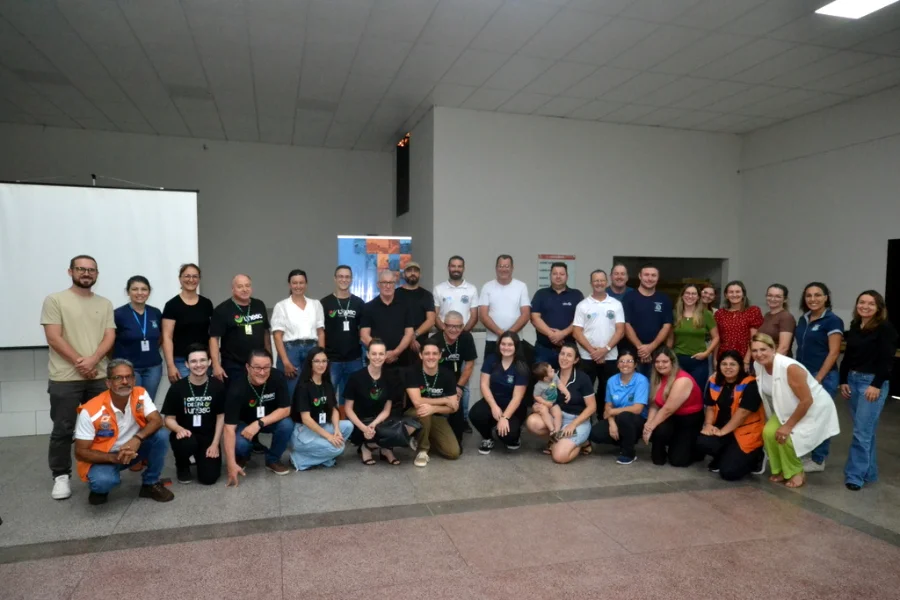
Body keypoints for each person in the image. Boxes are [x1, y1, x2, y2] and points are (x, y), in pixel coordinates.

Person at [42, 255, 116, 501]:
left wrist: (93, 360)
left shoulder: (104, 303)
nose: (86, 273)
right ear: (70, 271)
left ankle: (99, 472)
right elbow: (54, 337)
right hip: (65, 378)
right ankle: (61, 476)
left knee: (103, 427)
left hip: (99, 376)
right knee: (63, 428)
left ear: (97, 274)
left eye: (91, 270)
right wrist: (81, 362)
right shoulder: (55, 300)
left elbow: (109, 336)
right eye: (81, 269)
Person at [73, 359, 173, 505]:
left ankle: (150, 483)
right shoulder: (90, 410)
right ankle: (99, 489)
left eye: (129, 377)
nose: (125, 381)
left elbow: (157, 420)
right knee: (103, 482)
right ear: (108, 383)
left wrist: (137, 439)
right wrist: (114, 458)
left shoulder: (140, 394)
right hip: (105, 457)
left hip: (134, 450)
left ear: (134, 380)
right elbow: (80, 452)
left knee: (161, 435)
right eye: (118, 378)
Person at [752, 334, 840, 489]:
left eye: (763, 349)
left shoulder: (789, 367)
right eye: (754, 350)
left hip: (812, 407)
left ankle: (796, 472)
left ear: (773, 349)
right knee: (768, 432)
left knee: (786, 437)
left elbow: (807, 400)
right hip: (788, 407)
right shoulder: (758, 365)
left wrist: (788, 426)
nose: (759, 354)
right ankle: (780, 470)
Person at [840, 290, 897, 491]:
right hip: (853, 381)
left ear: (879, 308)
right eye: (862, 302)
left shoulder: (885, 329)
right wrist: (843, 380)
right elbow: (848, 356)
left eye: (871, 303)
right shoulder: (856, 325)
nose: (865, 306)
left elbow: (887, 360)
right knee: (866, 431)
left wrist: (876, 385)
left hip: (871, 383)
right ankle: (869, 471)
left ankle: (854, 475)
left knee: (861, 432)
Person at [222, 349, 293, 486]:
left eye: (266, 367)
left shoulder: (277, 377)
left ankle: (272, 460)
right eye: (257, 368)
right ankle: (243, 456)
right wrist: (230, 464)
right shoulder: (236, 388)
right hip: (244, 423)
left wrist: (259, 423)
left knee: (287, 424)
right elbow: (228, 428)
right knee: (240, 443)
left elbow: (286, 409)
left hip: (268, 420)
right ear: (248, 367)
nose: (262, 372)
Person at [343, 339, 418, 465]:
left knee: (413, 426)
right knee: (392, 432)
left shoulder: (390, 377)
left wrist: (374, 424)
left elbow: (386, 410)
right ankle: (378, 446)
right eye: (374, 354)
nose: (377, 357)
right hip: (361, 423)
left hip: (380, 421)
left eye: (381, 354)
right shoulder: (355, 377)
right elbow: (348, 409)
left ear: (385, 356)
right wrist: (364, 428)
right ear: (368, 355)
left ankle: (372, 446)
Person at [795, 282, 844, 472]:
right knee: (806, 416)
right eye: (809, 295)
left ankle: (818, 459)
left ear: (826, 297)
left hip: (822, 377)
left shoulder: (832, 321)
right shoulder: (803, 319)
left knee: (821, 418)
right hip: (804, 374)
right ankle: (808, 453)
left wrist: (818, 379)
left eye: (817, 295)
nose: (813, 299)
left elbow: (834, 352)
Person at [696, 350, 766, 481]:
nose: (728, 367)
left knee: (729, 473)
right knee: (703, 441)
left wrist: (722, 432)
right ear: (719, 366)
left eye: (733, 364)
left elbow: (743, 413)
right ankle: (724, 456)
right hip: (723, 429)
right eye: (724, 364)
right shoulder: (714, 380)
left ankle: (757, 457)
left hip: (745, 433)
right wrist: (709, 425)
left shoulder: (750, 384)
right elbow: (710, 407)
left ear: (740, 366)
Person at [162, 344, 225, 485]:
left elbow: (221, 416)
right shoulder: (177, 388)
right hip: (185, 435)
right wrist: (179, 429)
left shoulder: (218, 386)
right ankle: (182, 464)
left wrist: (215, 444)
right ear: (187, 364)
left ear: (209, 362)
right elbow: (168, 419)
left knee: (209, 479)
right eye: (193, 361)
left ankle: (199, 456)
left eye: (202, 360)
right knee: (186, 443)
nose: (198, 365)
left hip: (208, 436)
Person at [525, 343, 597, 464]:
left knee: (559, 456)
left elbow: (592, 407)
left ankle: (581, 443)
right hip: (557, 418)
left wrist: (573, 424)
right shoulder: (551, 375)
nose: (564, 358)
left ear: (575, 360)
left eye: (569, 355)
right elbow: (541, 397)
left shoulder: (583, 378)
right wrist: (537, 406)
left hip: (577, 421)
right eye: (562, 354)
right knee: (532, 422)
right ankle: (558, 439)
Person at [288, 347, 354, 471]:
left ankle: (322, 456)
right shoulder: (304, 386)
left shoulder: (327, 383)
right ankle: (298, 459)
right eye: (317, 361)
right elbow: (306, 419)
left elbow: (333, 409)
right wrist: (329, 437)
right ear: (310, 363)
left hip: (321, 426)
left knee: (348, 426)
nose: (321, 364)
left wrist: (336, 429)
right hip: (303, 432)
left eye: (324, 361)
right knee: (338, 448)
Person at [642, 347, 704, 467]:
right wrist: (648, 423)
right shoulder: (657, 377)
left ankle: (695, 448)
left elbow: (668, 409)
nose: (660, 365)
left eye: (665, 361)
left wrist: (650, 428)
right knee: (657, 458)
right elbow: (654, 404)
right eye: (657, 362)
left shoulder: (682, 379)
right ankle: (672, 443)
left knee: (678, 461)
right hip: (672, 417)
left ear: (673, 362)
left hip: (688, 420)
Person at [469, 332, 530, 454]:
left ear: (516, 346)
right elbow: (484, 385)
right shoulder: (491, 359)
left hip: (513, 407)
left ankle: (514, 436)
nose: (506, 347)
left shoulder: (521, 366)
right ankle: (487, 438)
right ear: (499, 345)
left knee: (508, 436)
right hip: (494, 402)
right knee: (475, 414)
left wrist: (505, 417)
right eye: (503, 344)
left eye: (510, 344)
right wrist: (493, 406)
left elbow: (517, 397)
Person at [404, 339, 461, 467]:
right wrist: (445, 400)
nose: (431, 357)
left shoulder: (447, 374)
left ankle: (423, 437)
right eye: (427, 353)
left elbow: (454, 407)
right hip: (413, 414)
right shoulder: (412, 372)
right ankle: (422, 451)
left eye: (435, 353)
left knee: (453, 452)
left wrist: (434, 409)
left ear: (440, 355)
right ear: (421, 355)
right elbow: (417, 401)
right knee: (424, 410)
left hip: (437, 415)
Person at [271, 269, 325, 399]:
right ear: (289, 284)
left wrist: (321, 355)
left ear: (306, 284)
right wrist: (285, 362)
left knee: (313, 389)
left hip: (312, 350)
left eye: (301, 282)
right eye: (294, 283)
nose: (298, 286)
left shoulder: (315, 304)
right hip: (290, 352)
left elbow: (320, 333)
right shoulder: (281, 306)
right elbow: (277, 336)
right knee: (292, 390)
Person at [588, 350, 649, 465]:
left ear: (635, 364)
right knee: (595, 433)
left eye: (629, 361)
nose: (625, 364)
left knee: (624, 417)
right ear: (617, 364)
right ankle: (625, 441)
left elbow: (638, 409)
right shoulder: (612, 381)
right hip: (617, 417)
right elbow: (608, 406)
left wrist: (613, 411)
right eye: (621, 361)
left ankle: (628, 453)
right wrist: (612, 424)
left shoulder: (641, 380)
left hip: (637, 419)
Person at [572, 269, 625, 400]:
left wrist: (605, 350)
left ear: (606, 282)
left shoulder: (616, 304)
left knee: (607, 392)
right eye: (596, 280)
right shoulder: (582, 305)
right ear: (591, 283)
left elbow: (620, 331)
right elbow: (576, 332)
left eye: (602, 280)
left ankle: (604, 413)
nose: (599, 283)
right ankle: (587, 414)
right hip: (587, 357)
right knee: (585, 391)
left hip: (610, 357)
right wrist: (593, 352)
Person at [210, 274, 271, 385]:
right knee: (235, 394)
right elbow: (214, 338)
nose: (244, 289)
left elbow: (266, 332)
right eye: (240, 286)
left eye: (247, 285)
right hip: (234, 366)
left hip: (258, 364)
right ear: (232, 289)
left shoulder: (259, 305)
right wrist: (216, 365)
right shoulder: (222, 310)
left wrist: (269, 357)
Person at [113, 276, 163, 399]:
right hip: (129, 368)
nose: (139, 293)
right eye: (135, 289)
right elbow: (110, 341)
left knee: (148, 402)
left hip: (153, 367)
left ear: (149, 292)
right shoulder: (118, 314)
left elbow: (160, 337)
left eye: (144, 289)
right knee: (133, 402)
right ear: (128, 292)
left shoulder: (155, 312)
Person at [321, 265, 365, 404]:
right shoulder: (324, 303)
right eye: (340, 276)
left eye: (347, 277)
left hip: (354, 359)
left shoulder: (359, 303)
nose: (344, 280)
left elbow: (363, 331)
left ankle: (348, 419)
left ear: (351, 279)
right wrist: (322, 355)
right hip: (332, 360)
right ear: (335, 279)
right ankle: (331, 419)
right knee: (328, 397)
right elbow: (320, 332)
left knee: (353, 399)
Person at [162, 264, 214, 381]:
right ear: (180, 278)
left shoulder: (207, 304)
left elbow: (212, 335)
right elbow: (167, 337)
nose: (191, 279)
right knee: (185, 392)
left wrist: (215, 362)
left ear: (199, 279)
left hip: (203, 360)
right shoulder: (172, 305)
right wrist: (170, 366)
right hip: (181, 361)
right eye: (187, 276)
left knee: (205, 392)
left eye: (195, 276)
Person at [429, 310, 477, 434]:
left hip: (456, 380)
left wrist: (459, 387)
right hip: (436, 381)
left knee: (457, 409)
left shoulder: (466, 337)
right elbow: (427, 367)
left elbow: (469, 365)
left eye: (457, 326)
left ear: (462, 326)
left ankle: (459, 429)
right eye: (450, 326)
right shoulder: (435, 340)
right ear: (444, 325)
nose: (453, 330)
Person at [530, 262, 583, 370]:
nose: (558, 276)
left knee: (567, 379)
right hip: (543, 349)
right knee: (542, 379)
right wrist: (552, 335)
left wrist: (562, 334)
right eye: (555, 273)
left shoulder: (576, 295)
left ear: (567, 276)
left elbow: (580, 319)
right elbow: (534, 318)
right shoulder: (540, 294)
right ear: (550, 276)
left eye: (561, 274)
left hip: (568, 350)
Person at [623, 264, 673, 377]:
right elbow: (626, 324)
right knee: (634, 385)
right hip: (633, 353)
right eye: (646, 275)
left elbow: (667, 326)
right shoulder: (629, 297)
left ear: (658, 278)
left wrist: (651, 347)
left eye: (653, 275)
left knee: (656, 385)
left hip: (657, 355)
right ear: (640, 276)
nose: (650, 278)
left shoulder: (664, 299)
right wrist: (641, 349)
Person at [479, 254, 530, 356]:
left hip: (515, 340)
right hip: (493, 340)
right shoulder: (487, 287)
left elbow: (525, 315)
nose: (503, 269)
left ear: (512, 268)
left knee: (517, 367)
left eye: (507, 266)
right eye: (501, 266)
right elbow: (483, 316)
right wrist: (502, 334)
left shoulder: (521, 286)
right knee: (491, 366)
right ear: (496, 268)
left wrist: (509, 335)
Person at [667, 284, 718, 387]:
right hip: (678, 359)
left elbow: (716, 337)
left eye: (694, 294)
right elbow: (671, 338)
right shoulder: (674, 314)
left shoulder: (706, 314)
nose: (690, 296)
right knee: (678, 390)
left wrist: (706, 353)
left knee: (697, 391)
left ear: (698, 297)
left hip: (699, 360)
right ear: (682, 295)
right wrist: (667, 354)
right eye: (687, 293)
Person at [714, 280, 763, 369]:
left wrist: (747, 360)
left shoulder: (753, 311)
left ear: (743, 294)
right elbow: (717, 339)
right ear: (726, 295)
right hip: (724, 357)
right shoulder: (719, 313)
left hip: (744, 357)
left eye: (737, 292)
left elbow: (754, 338)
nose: (734, 294)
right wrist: (715, 359)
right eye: (731, 292)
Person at [395, 261, 436, 352]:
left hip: (420, 344)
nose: (412, 273)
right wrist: (407, 337)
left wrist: (413, 335)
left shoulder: (427, 295)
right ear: (404, 274)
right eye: (409, 271)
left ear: (420, 275)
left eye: (416, 271)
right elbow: (392, 319)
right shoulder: (395, 294)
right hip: (398, 344)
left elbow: (431, 320)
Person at [433, 255, 479, 332]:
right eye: (453, 266)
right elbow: (435, 315)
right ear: (448, 268)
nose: (456, 269)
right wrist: (446, 332)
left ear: (463, 269)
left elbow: (474, 317)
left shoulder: (472, 289)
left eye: (459, 266)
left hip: (464, 333)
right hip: (444, 334)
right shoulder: (438, 289)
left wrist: (463, 333)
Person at [532, 362, 568, 438]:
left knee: (558, 413)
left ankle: (557, 431)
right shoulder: (539, 386)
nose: (553, 370)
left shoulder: (554, 377)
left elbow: (560, 384)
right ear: (545, 378)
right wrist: (545, 403)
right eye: (551, 371)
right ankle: (552, 429)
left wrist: (566, 392)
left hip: (553, 402)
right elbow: (536, 396)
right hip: (542, 403)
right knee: (544, 411)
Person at [758, 284, 796, 356]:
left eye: (777, 296)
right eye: (770, 295)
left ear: (785, 299)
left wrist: (772, 362)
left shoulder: (786, 317)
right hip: (765, 358)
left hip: (778, 360)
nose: (772, 299)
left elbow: (784, 348)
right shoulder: (767, 315)